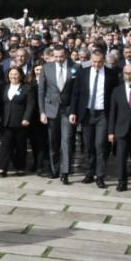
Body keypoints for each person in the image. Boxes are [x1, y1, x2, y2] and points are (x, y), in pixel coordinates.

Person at [70, 49, 119, 188]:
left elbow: (115, 95)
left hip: (103, 113)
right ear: (90, 61)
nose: (97, 64)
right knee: (88, 145)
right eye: (94, 62)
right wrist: (73, 111)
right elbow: (76, 93)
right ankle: (89, 173)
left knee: (100, 145)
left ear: (104, 61)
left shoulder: (111, 75)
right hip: (86, 113)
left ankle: (100, 175)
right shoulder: (83, 73)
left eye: (99, 62)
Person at [38, 45, 80, 183]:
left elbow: (77, 91)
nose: (59, 59)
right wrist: (42, 112)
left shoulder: (75, 67)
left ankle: (65, 172)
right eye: (56, 57)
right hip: (51, 108)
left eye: (61, 56)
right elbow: (41, 91)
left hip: (67, 109)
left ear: (66, 54)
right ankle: (54, 168)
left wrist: (74, 110)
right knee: (53, 141)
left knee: (67, 141)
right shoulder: (47, 67)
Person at [0, 66, 36, 176]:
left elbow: (30, 104)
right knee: (5, 145)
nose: (13, 76)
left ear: (21, 76)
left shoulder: (27, 88)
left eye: (16, 74)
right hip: (6, 121)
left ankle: (20, 167)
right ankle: (2, 168)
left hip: (20, 121)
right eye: (11, 74)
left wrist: (26, 118)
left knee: (20, 145)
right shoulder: (4, 87)